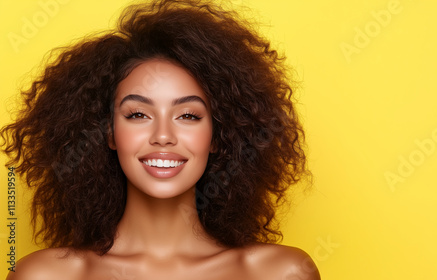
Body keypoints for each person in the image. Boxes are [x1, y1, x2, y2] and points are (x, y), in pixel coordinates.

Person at [1, 0, 319, 279]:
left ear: (219, 135)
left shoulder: (280, 273)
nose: (163, 136)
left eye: (189, 115)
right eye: (138, 114)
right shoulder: (45, 276)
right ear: (108, 132)